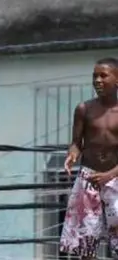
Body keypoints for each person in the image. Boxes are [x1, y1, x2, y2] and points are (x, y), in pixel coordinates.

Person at [60, 57, 118, 258]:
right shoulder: (84, 109)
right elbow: (76, 142)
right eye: (95, 76)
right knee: (86, 242)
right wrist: (72, 154)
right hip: (89, 179)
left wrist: (109, 175)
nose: (98, 80)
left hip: (116, 179)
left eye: (104, 75)